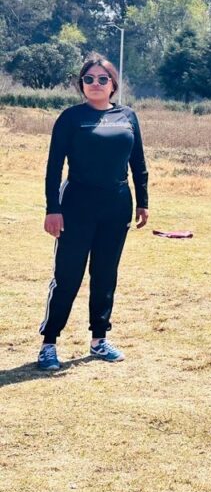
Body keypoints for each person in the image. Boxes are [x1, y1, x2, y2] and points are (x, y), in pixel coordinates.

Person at [37, 53, 149, 371]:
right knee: (67, 275)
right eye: (89, 79)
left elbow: (138, 163)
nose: (95, 84)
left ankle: (99, 339)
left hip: (117, 205)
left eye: (102, 79)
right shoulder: (71, 118)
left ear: (113, 84)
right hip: (77, 205)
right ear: (82, 84)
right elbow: (53, 167)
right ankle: (49, 343)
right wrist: (53, 209)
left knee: (105, 274)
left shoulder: (127, 117)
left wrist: (143, 201)